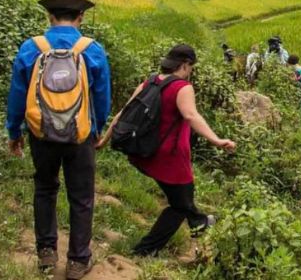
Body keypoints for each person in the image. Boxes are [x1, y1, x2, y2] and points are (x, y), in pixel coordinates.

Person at [6, 0, 111, 279]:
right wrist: (97, 128)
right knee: (82, 196)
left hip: (41, 133)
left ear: (50, 17)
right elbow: (102, 97)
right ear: (81, 18)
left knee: (44, 188)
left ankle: (46, 253)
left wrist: (14, 131)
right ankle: (78, 261)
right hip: (80, 135)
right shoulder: (92, 50)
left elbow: (17, 94)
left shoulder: (32, 47)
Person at [97, 44, 235, 257]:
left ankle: (200, 222)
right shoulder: (183, 87)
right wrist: (217, 140)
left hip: (146, 153)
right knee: (180, 205)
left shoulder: (149, 82)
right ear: (185, 65)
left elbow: (123, 113)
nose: (191, 71)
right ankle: (144, 251)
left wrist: (103, 141)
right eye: (191, 66)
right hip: (171, 159)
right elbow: (191, 115)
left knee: (182, 200)